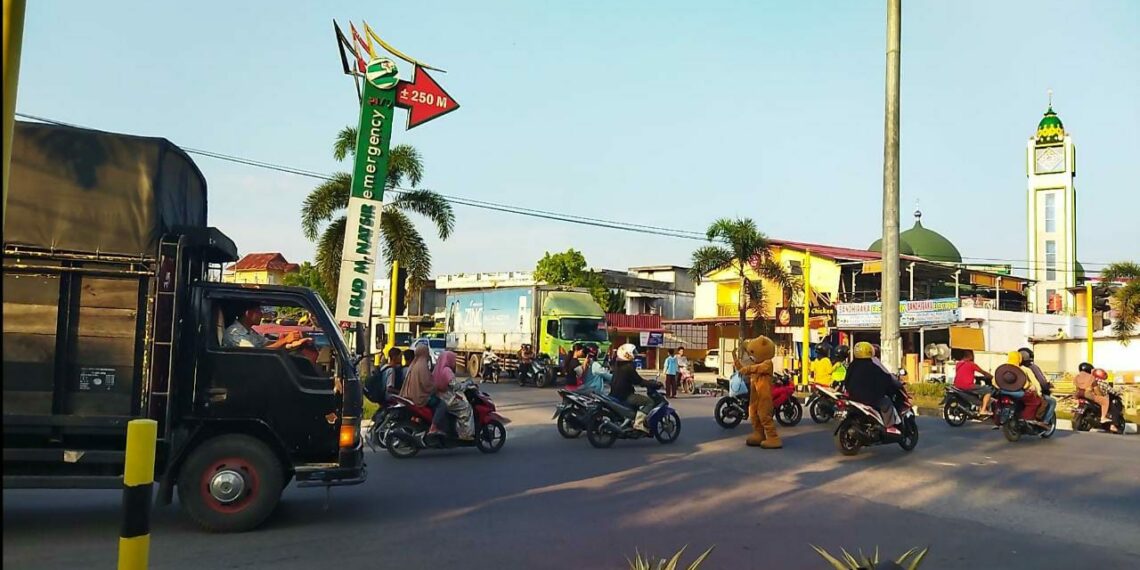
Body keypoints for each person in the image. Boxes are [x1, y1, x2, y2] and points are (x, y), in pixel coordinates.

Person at [845, 342, 904, 434]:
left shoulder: (852, 365)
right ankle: (889, 426)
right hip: (870, 399)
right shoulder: (873, 366)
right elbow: (885, 379)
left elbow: (846, 381)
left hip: (853, 398)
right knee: (887, 403)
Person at [223, 304, 313, 350]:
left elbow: (266, 344)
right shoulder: (234, 333)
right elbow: (257, 355)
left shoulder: (249, 331)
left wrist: (289, 342)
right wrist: (285, 340)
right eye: (259, 312)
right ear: (249, 314)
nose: (262, 315)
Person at [609, 343, 653, 433]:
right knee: (649, 402)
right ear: (627, 354)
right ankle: (639, 423)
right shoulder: (628, 367)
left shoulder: (617, 364)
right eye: (633, 352)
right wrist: (651, 384)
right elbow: (638, 381)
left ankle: (631, 420)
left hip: (615, 394)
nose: (635, 354)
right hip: (625, 395)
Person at [431, 351, 473, 440]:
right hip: (447, 399)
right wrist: (466, 384)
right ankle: (465, 434)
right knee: (466, 407)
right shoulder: (447, 370)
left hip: (439, 396)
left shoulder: (437, 368)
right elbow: (456, 386)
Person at [399, 343, 440, 427]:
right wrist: (436, 387)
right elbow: (427, 384)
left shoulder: (414, 364)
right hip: (420, 397)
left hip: (411, 396)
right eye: (427, 351)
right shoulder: (422, 365)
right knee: (441, 404)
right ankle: (435, 426)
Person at [1018, 347, 1056, 425]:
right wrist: (1046, 386)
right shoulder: (1032, 367)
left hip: (1016, 392)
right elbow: (1041, 382)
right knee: (1052, 401)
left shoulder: (1013, 367)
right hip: (1030, 392)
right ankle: (1044, 422)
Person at [1075, 363, 1116, 432]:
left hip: (1079, 394)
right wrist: (1101, 396)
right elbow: (1096, 390)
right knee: (1105, 401)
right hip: (1088, 394)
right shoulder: (1091, 378)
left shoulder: (1077, 377)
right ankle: (1103, 417)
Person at [953, 349, 994, 418]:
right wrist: (990, 376)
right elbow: (983, 372)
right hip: (967, 386)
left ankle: (977, 407)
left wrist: (974, 376)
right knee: (988, 390)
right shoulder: (972, 364)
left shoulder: (958, 364)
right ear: (970, 355)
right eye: (972, 354)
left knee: (978, 388)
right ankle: (983, 410)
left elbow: (963, 373)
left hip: (957, 385)